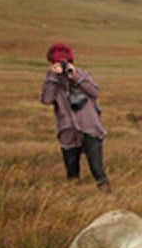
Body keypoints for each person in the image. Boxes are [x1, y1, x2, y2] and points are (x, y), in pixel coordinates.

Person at [40, 42, 111, 192]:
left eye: (66, 62)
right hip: (68, 131)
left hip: (90, 128)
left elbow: (94, 92)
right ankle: (74, 201)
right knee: (72, 174)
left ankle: (107, 197)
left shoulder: (81, 74)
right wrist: (53, 76)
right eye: (58, 62)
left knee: (97, 169)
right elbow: (46, 99)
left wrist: (75, 76)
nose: (63, 66)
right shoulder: (52, 79)